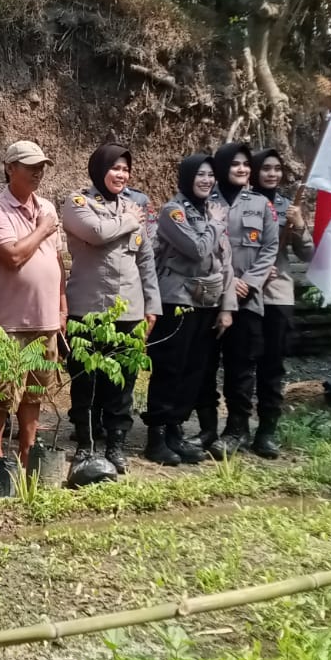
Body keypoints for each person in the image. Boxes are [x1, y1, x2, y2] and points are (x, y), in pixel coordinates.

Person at [59, 143, 160, 475]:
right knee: (85, 381)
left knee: (122, 384)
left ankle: (116, 446)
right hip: (88, 308)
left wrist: (151, 306)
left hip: (129, 310)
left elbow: (145, 262)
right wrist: (130, 221)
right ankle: (85, 446)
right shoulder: (78, 203)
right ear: (98, 170)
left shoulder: (132, 207)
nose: (121, 174)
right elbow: (97, 233)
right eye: (115, 168)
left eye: (125, 169)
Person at [144, 154, 236, 466]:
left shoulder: (212, 211)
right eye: (200, 175)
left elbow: (225, 263)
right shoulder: (174, 211)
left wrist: (227, 307)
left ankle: (176, 432)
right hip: (177, 300)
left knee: (194, 371)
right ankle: (156, 437)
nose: (206, 180)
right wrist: (216, 224)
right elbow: (196, 250)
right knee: (170, 368)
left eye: (211, 175)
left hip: (207, 303)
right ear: (186, 178)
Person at [0, 140, 65, 472]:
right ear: (10, 168)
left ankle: (28, 452)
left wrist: (61, 307)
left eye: (41, 167)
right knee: (1, 392)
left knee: (34, 393)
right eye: (30, 167)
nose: (37, 173)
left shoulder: (46, 207)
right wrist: (43, 229)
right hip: (9, 319)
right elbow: (12, 256)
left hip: (45, 320)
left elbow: (57, 263)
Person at [196, 142, 279, 457]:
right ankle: (206, 428)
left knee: (240, 367)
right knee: (204, 365)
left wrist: (249, 282)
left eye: (246, 164)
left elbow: (269, 249)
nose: (242, 169)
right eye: (235, 164)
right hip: (210, 297)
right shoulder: (204, 201)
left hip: (247, 301)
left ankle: (237, 429)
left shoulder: (260, 205)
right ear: (221, 168)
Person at [251, 148, 313, 458]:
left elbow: (308, 254)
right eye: (265, 168)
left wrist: (299, 224)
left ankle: (266, 430)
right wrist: (253, 269)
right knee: (240, 363)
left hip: (276, 295)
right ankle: (234, 426)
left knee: (272, 365)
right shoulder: (242, 203)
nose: (272, 174)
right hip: (244, 294)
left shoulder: (290, 208)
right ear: (254, 172)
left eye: (276, 169)